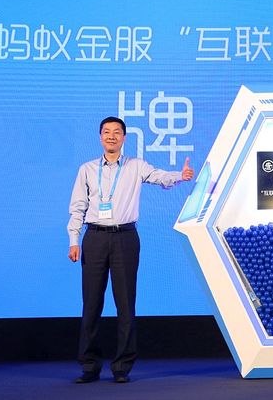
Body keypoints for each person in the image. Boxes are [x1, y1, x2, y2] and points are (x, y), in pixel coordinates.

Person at [67, 116, 194, 384]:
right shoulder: (87, 169)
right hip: (95, 237)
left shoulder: (136, 166)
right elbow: (77, 206)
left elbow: (159, 176)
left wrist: (179, 176)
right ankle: (89, 366)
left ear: (124, 137)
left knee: (125, 304)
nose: (111, 136)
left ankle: (122, 367)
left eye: (117, 132)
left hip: (125, 237)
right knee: (91, 303)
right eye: (106, 132)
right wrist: (73, 240)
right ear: (100, 137)